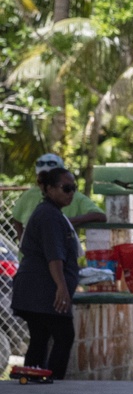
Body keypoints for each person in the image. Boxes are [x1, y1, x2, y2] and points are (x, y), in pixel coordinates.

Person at [11, 167, 81, 380]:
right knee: (64, 335)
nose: (70, 193)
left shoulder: (52, 213)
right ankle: (53, 380)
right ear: (49, 189)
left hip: (37, 289)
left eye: (73, 189)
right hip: (43, 290)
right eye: (66, 188)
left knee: (40, 337)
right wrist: (61, 287)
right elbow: (54, 256)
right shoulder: (49, 216)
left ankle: (32, 377)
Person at [11, 153, 106, 244]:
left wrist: (65, 221)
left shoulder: (73, 196)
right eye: (42, 178)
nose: (44, 183)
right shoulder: (30, 196)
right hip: (34, 257)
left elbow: (100, 215)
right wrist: (23, 242)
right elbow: (16, 217)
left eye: (51, 179)